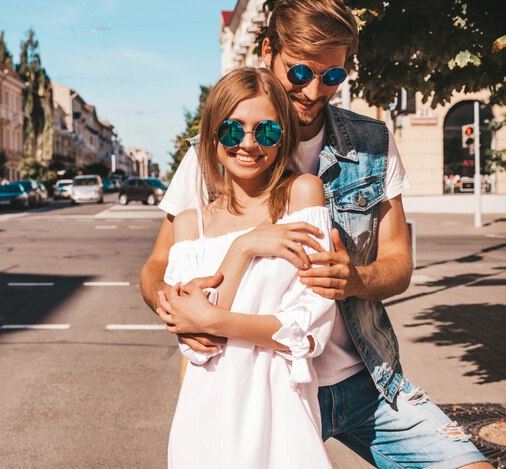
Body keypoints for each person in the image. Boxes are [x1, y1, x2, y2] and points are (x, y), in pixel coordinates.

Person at [141, 1, 490, 467]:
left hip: (365, 384)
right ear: (268, 51)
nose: (312, 90)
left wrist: (355, 279)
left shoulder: (374, 145)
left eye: (332, 77)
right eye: (300, 71)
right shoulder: (215, 154)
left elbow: (398, 263)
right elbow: (157, 266)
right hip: (262, 388)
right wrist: (176, 306)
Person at [159, 66, 335, 469]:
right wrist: (243, 247)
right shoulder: (190, 223)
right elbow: (196, 345)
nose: (249, 144)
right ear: (213, 134)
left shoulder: (302, 194)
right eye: (233, 130)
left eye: (267, 131)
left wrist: (212, 318)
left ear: (284, 135)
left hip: (281, 416)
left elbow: (309, 331)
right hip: (202, 422)